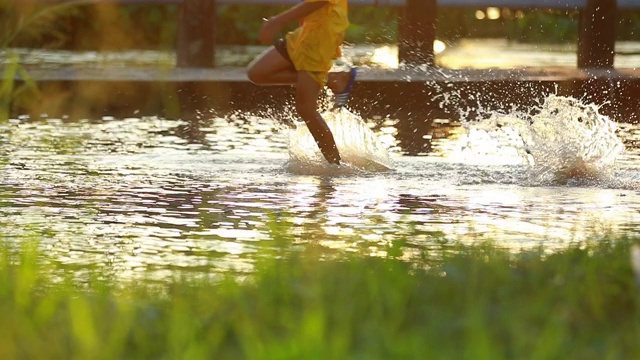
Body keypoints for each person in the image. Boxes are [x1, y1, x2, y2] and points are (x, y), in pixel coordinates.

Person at [247, 0, 357, 165]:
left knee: (306, 108)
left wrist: (275, 22)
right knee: (258, 73)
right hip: (309, 30)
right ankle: (332, 79)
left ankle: (335, 166)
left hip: (321, 35)